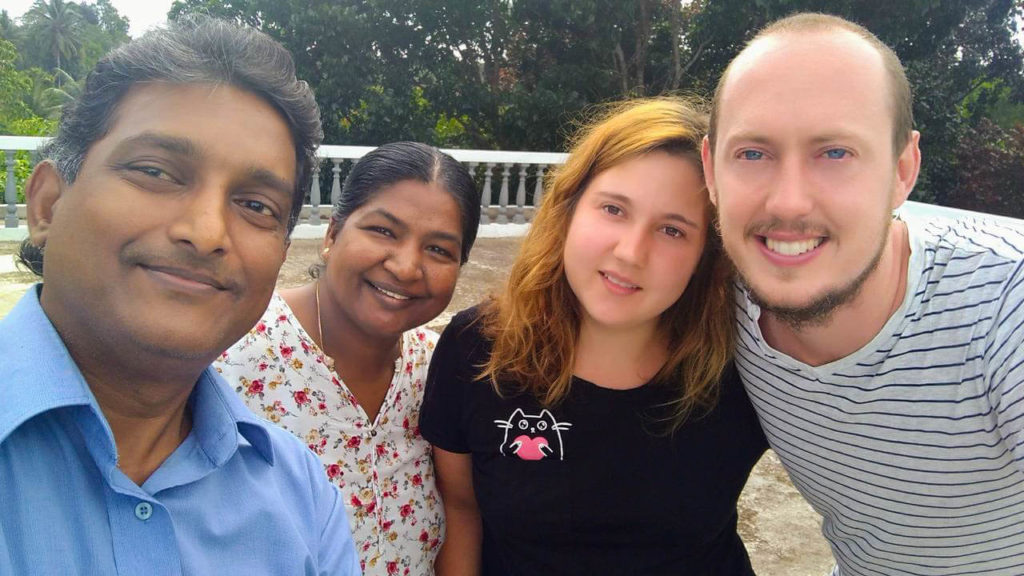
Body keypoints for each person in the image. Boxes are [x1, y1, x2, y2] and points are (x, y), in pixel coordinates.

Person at [0, 18, 361, 575]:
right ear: (47, 204)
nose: (207, 231)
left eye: (257, 206)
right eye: (156, 172)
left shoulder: (302, 497)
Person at [702, 12, 1024, 575]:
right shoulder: (713, 299)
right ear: (710, 170)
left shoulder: (1002, 306)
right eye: (753, 153)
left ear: (903, 168)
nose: (790, 203)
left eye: (835, 153)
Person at [419, 98, 768, 576]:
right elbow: (461, 510)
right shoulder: (478, 347)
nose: (630, 252)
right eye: (613, 209)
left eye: (672, 230)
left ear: (710, 253)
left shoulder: (747, 363)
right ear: (569, 208)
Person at [215, 141, 482, 576]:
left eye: (438, 250)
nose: (406, 266)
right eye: (383, 231)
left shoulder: (437, 369)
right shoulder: (232, 351)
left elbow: (461, 511)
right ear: (333, 234)